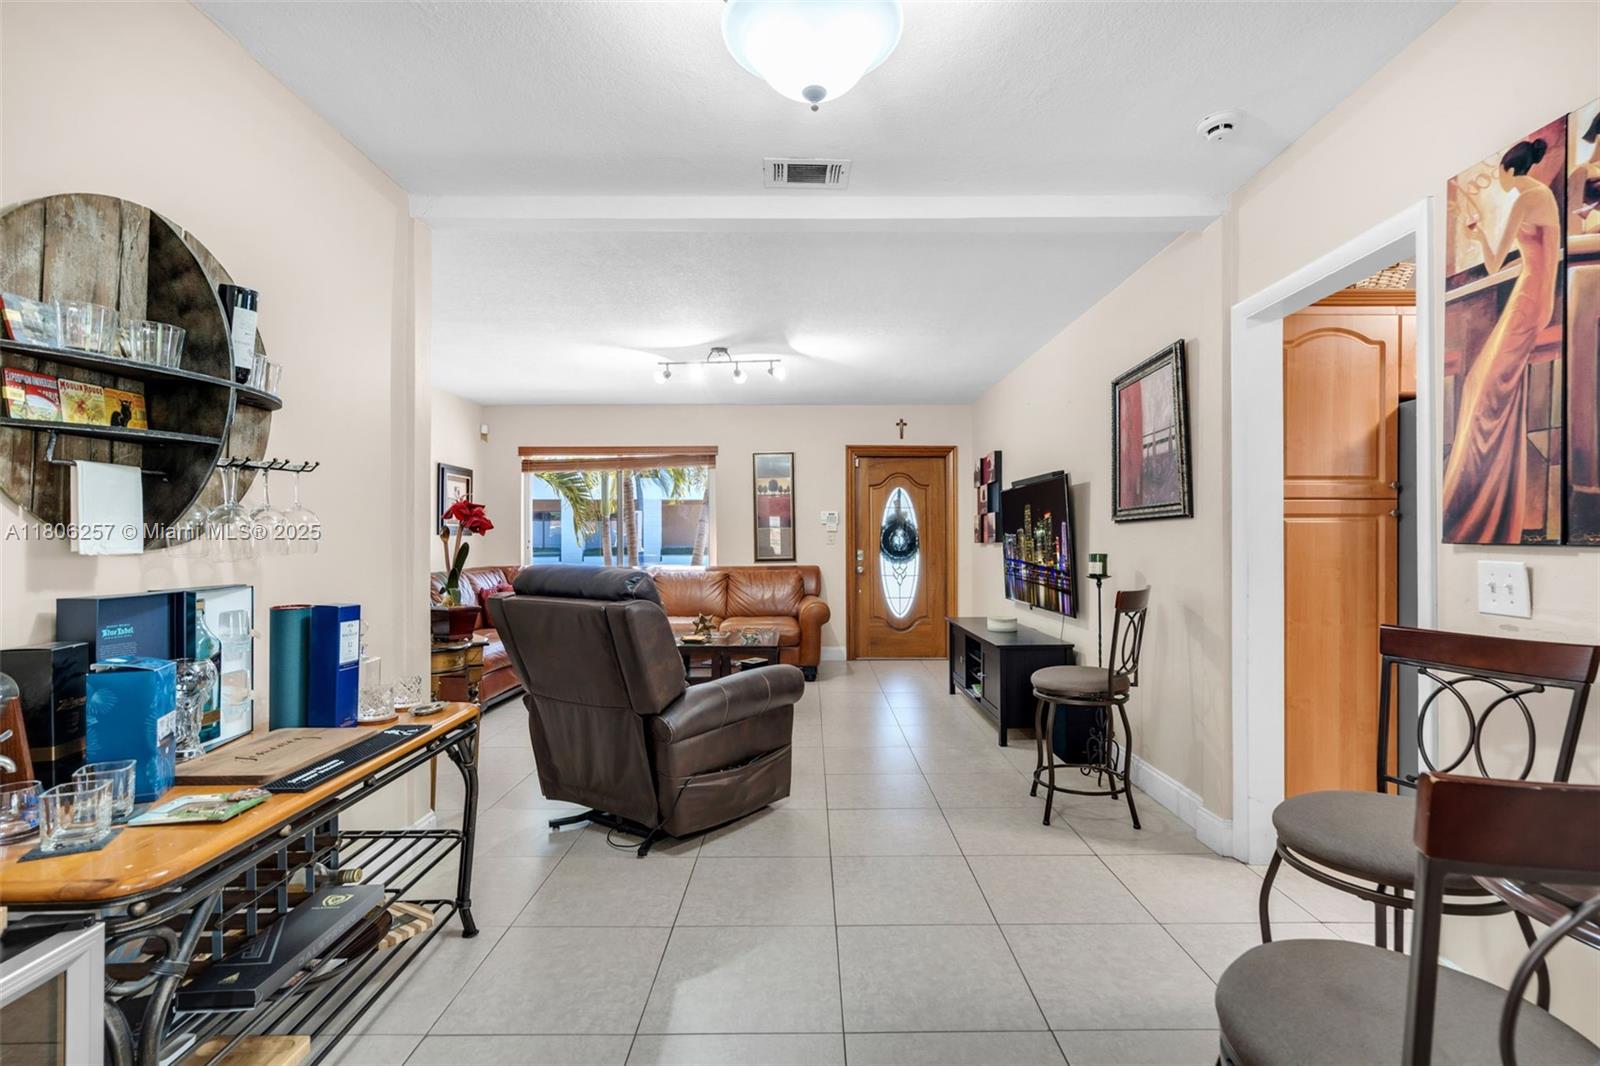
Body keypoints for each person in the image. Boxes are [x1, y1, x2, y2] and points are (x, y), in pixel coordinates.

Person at [1442, 138, 1561, 543]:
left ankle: (1479, 505)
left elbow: (1494, 263)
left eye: (1501, 176)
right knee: (1487, 387)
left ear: (1510, 171)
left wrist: (1475, 234)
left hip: (1529, 298)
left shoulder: (1525, 198)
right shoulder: (1540, 195)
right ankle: (1488, 502)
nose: (1502, 183)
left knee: (1484, 389)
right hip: (1534, 295)